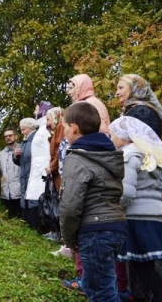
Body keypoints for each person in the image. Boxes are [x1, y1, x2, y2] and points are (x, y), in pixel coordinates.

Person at [115, 74, 162, 299]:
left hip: (141, 194)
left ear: (135, 88)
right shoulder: (139, 109)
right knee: (144, 265)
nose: (117, 92)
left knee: (143, 264)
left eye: (121, 87)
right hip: (149, 190)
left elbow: (141, 148)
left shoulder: (140, 112)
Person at [59, 102, 127, 301]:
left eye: (63, 127)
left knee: (102, 294)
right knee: (95, 283)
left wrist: (70, 240)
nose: (63, 133)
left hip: (94, 230)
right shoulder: (108, 155)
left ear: (74, 128)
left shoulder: (77, 157)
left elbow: (70, 204)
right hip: (117, 227)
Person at [27, 101, 53, 232]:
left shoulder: (46, 130)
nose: (34, 112)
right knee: (35, 197)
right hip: (37, 167)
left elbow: (50, 149)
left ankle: (44, 228)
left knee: (42, 197)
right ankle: (36, 228)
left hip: (43, 168)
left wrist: (49, 167)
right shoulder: (41, 129)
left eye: (36, 109)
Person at [13, 118, 39, 230]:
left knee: (33, 200)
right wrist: (16, 156)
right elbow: (21, 161)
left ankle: (36, 227)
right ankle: (28, 226)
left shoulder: (35, 140)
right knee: (26, 199)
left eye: (23, 129)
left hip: (32, 176)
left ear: (30, 128)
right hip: (24, 175)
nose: (22, 132)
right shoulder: (25, 142)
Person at [0, 128, 22, 219]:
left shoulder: (21, 149)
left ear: (15, 136)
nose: (8, 137)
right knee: (9, 219)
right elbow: (1, 171)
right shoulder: (1, 154)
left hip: (18, 191)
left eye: (10, 135)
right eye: (6, 136)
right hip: (6, 192)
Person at [45, 107, 65, 192]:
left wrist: (52, 166)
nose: (47, 123)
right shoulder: (57, 128)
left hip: (59, 171)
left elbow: (60, 149)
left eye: (48, 119)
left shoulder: (60, 126)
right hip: (57, 170)